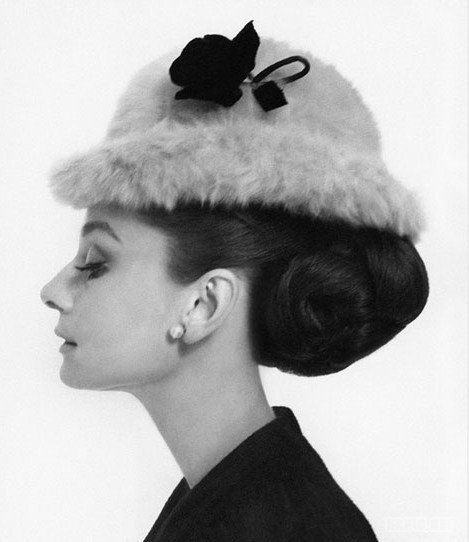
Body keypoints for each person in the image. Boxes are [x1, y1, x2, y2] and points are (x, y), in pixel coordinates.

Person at [40, 21, 429, 541]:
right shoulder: (247, 499)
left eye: (95, 263)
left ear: (203, 304)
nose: (53, 291)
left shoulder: (277, 525)